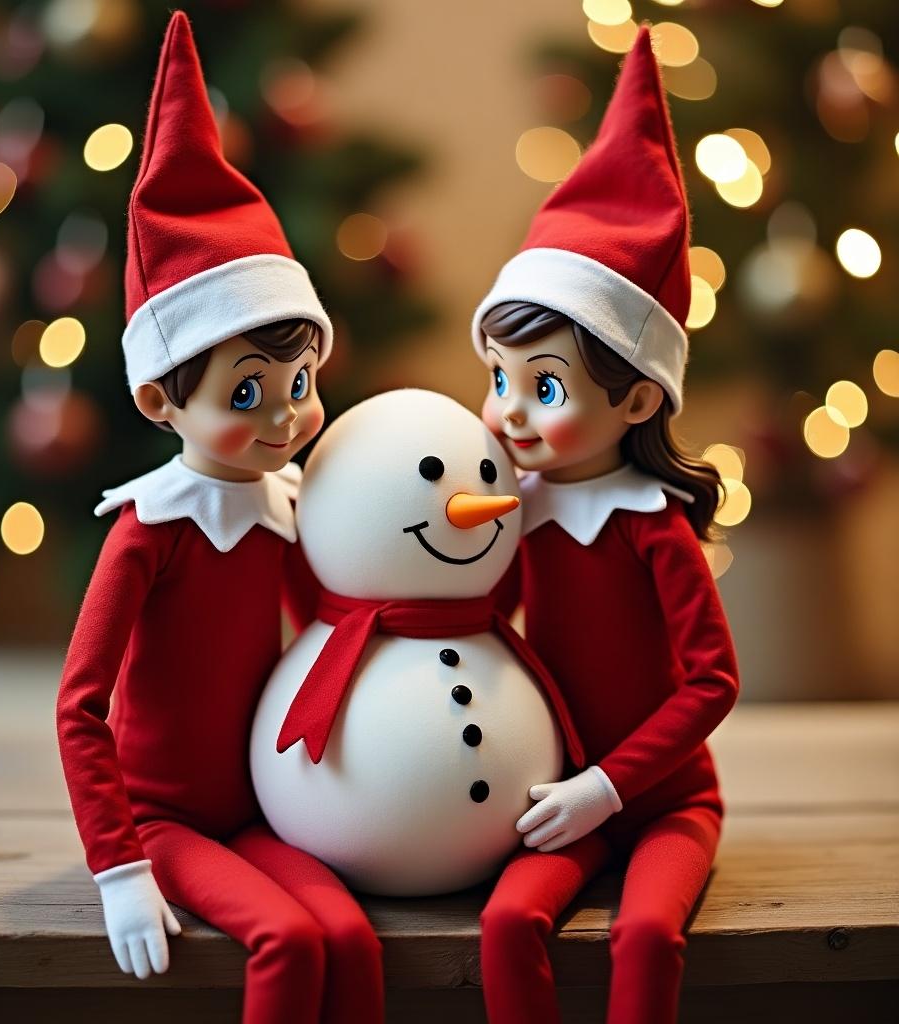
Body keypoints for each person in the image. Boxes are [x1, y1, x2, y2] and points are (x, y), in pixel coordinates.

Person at [56, 13, 381, 1024]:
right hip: (165, 818)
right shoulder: (150, 529)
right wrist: (116, 863)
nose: (288, 416)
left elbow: (333, 625)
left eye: (300, 380)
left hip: (264, 802)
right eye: (248, 393)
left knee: (350, 936)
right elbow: (79, 706)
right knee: (286, 940)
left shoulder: (289, 508)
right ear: (160, 401)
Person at [470, 27, 740, 1024]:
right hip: (554, 783)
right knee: (506, 924)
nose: (509, 410)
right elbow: (477, 619)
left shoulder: (648, 525)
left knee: (642, 933)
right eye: (500, 378)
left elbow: (713, 680)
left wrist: (608, 786)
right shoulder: (515, 508)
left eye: (544, 386)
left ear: (636, 401)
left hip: (664, 797)